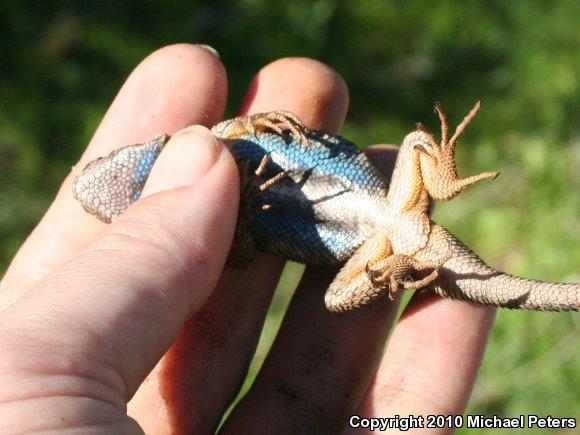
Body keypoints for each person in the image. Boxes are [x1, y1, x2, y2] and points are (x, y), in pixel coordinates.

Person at [0, 44, 494, 434]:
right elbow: (239, 255)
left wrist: (247, 132)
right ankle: (401, 262)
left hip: (391, 207)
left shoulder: (218, 139)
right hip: (373, 248)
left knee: (412, 142)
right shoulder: (220, 218)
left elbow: (235, 133)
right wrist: (239, 218)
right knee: (339, 297)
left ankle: (441, 188)